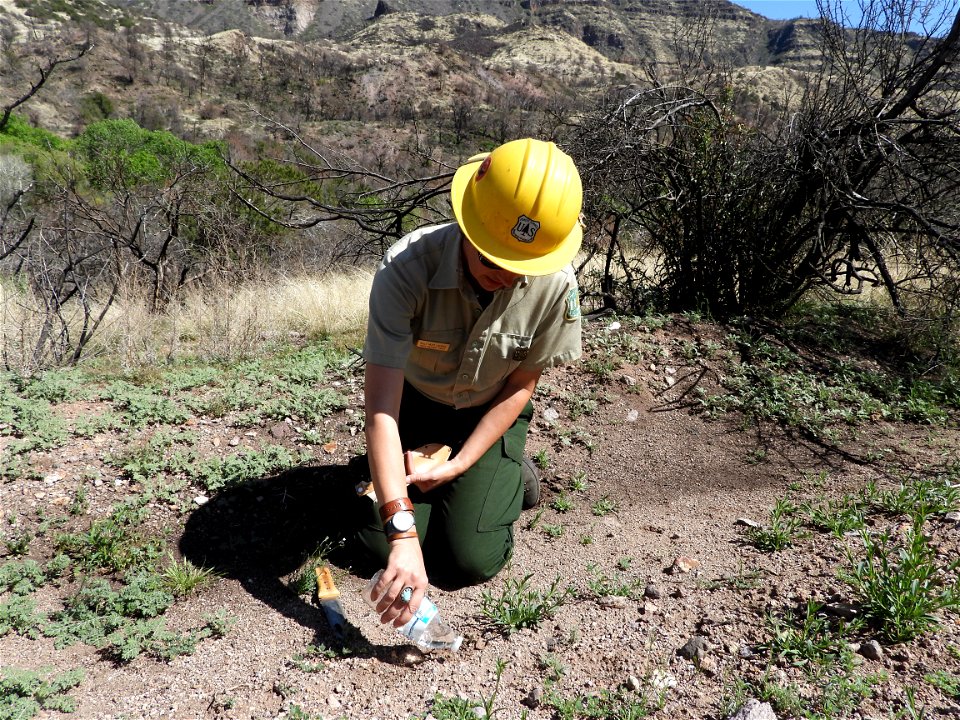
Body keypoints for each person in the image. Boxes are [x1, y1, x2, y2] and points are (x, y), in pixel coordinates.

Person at [358, 138, 584, 630]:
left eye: (521, 267)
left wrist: (460, 462)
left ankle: (509, 474)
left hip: (490, 408)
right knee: (375, 544)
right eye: (492, 260)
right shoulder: (406, 269)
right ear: (467, 225)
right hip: (413, 405)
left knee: (468, 560)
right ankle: (413, 476)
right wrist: (400, 535)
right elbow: (381, 408)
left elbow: (522, 385)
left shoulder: (557, 285)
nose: (506, 277)